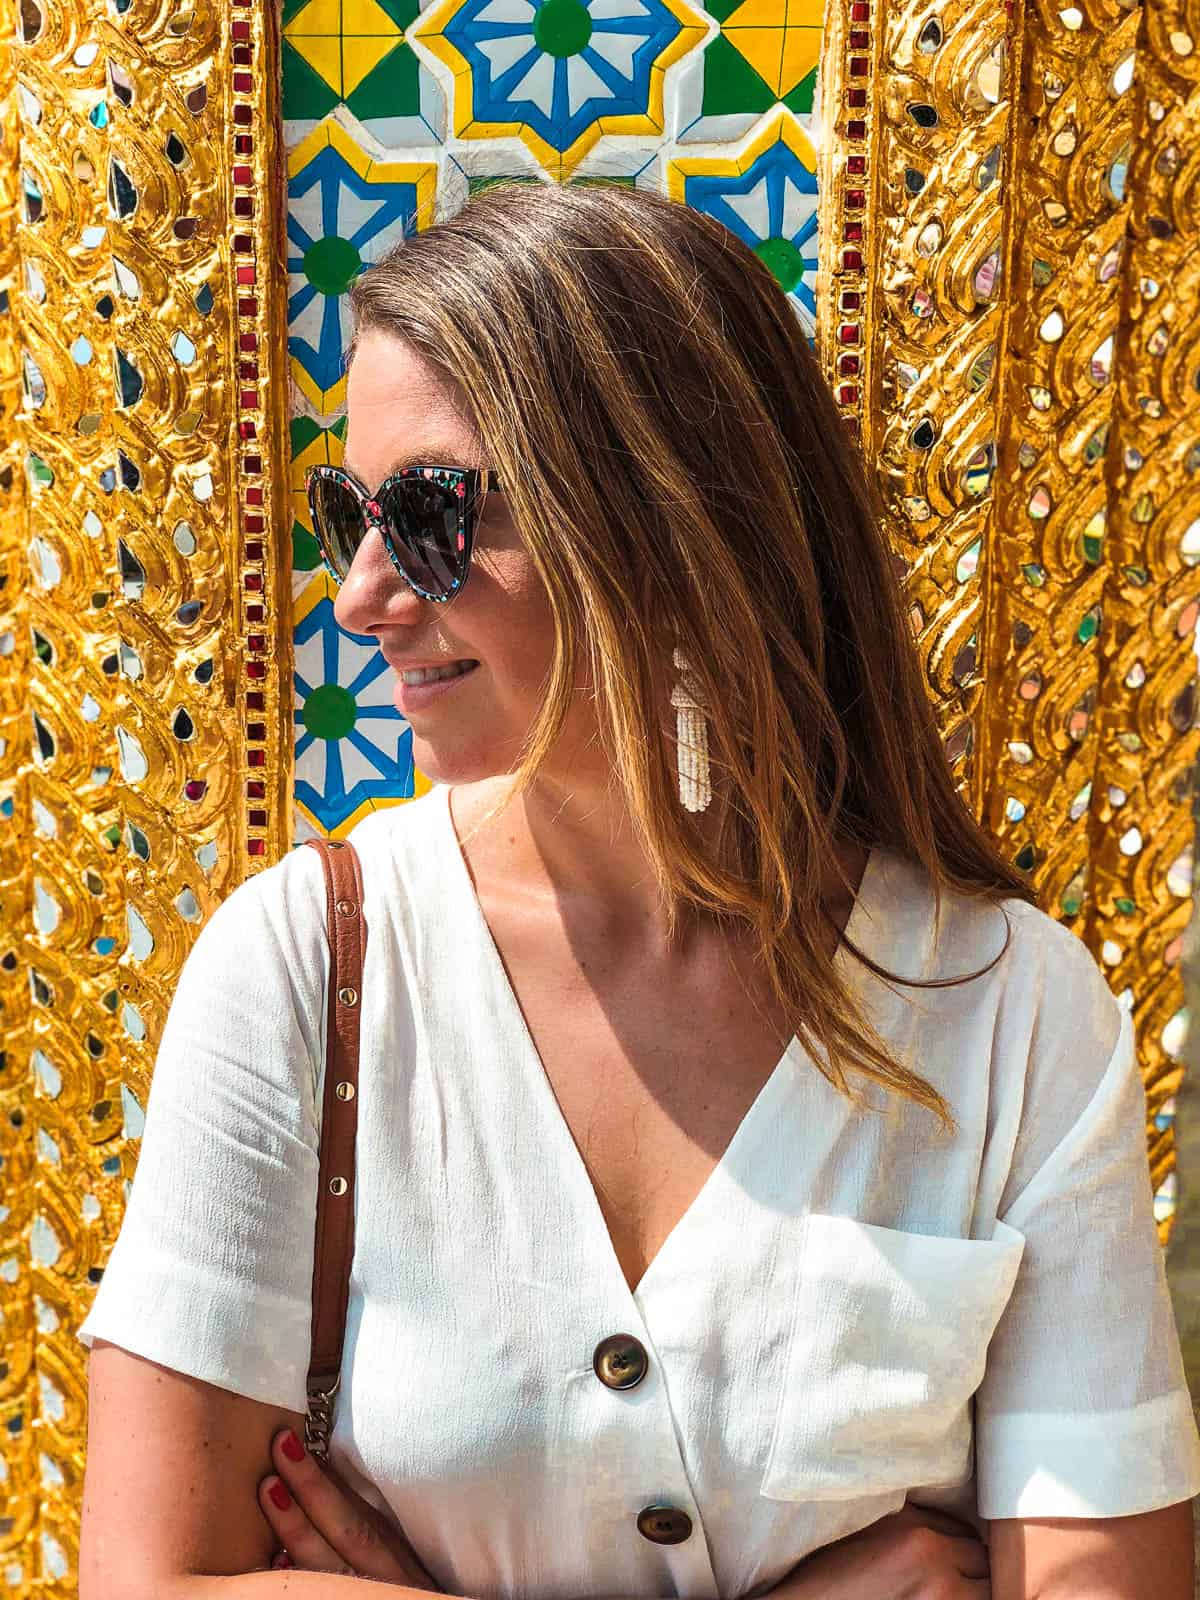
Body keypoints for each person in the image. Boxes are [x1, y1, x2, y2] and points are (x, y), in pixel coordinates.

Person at [76, 182, 1199, 1600]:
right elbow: (144, 1585)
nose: (361, 596)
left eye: (429, 516)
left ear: (667, 520)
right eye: (347, 513)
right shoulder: (307, 970)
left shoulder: (1010, 1011)